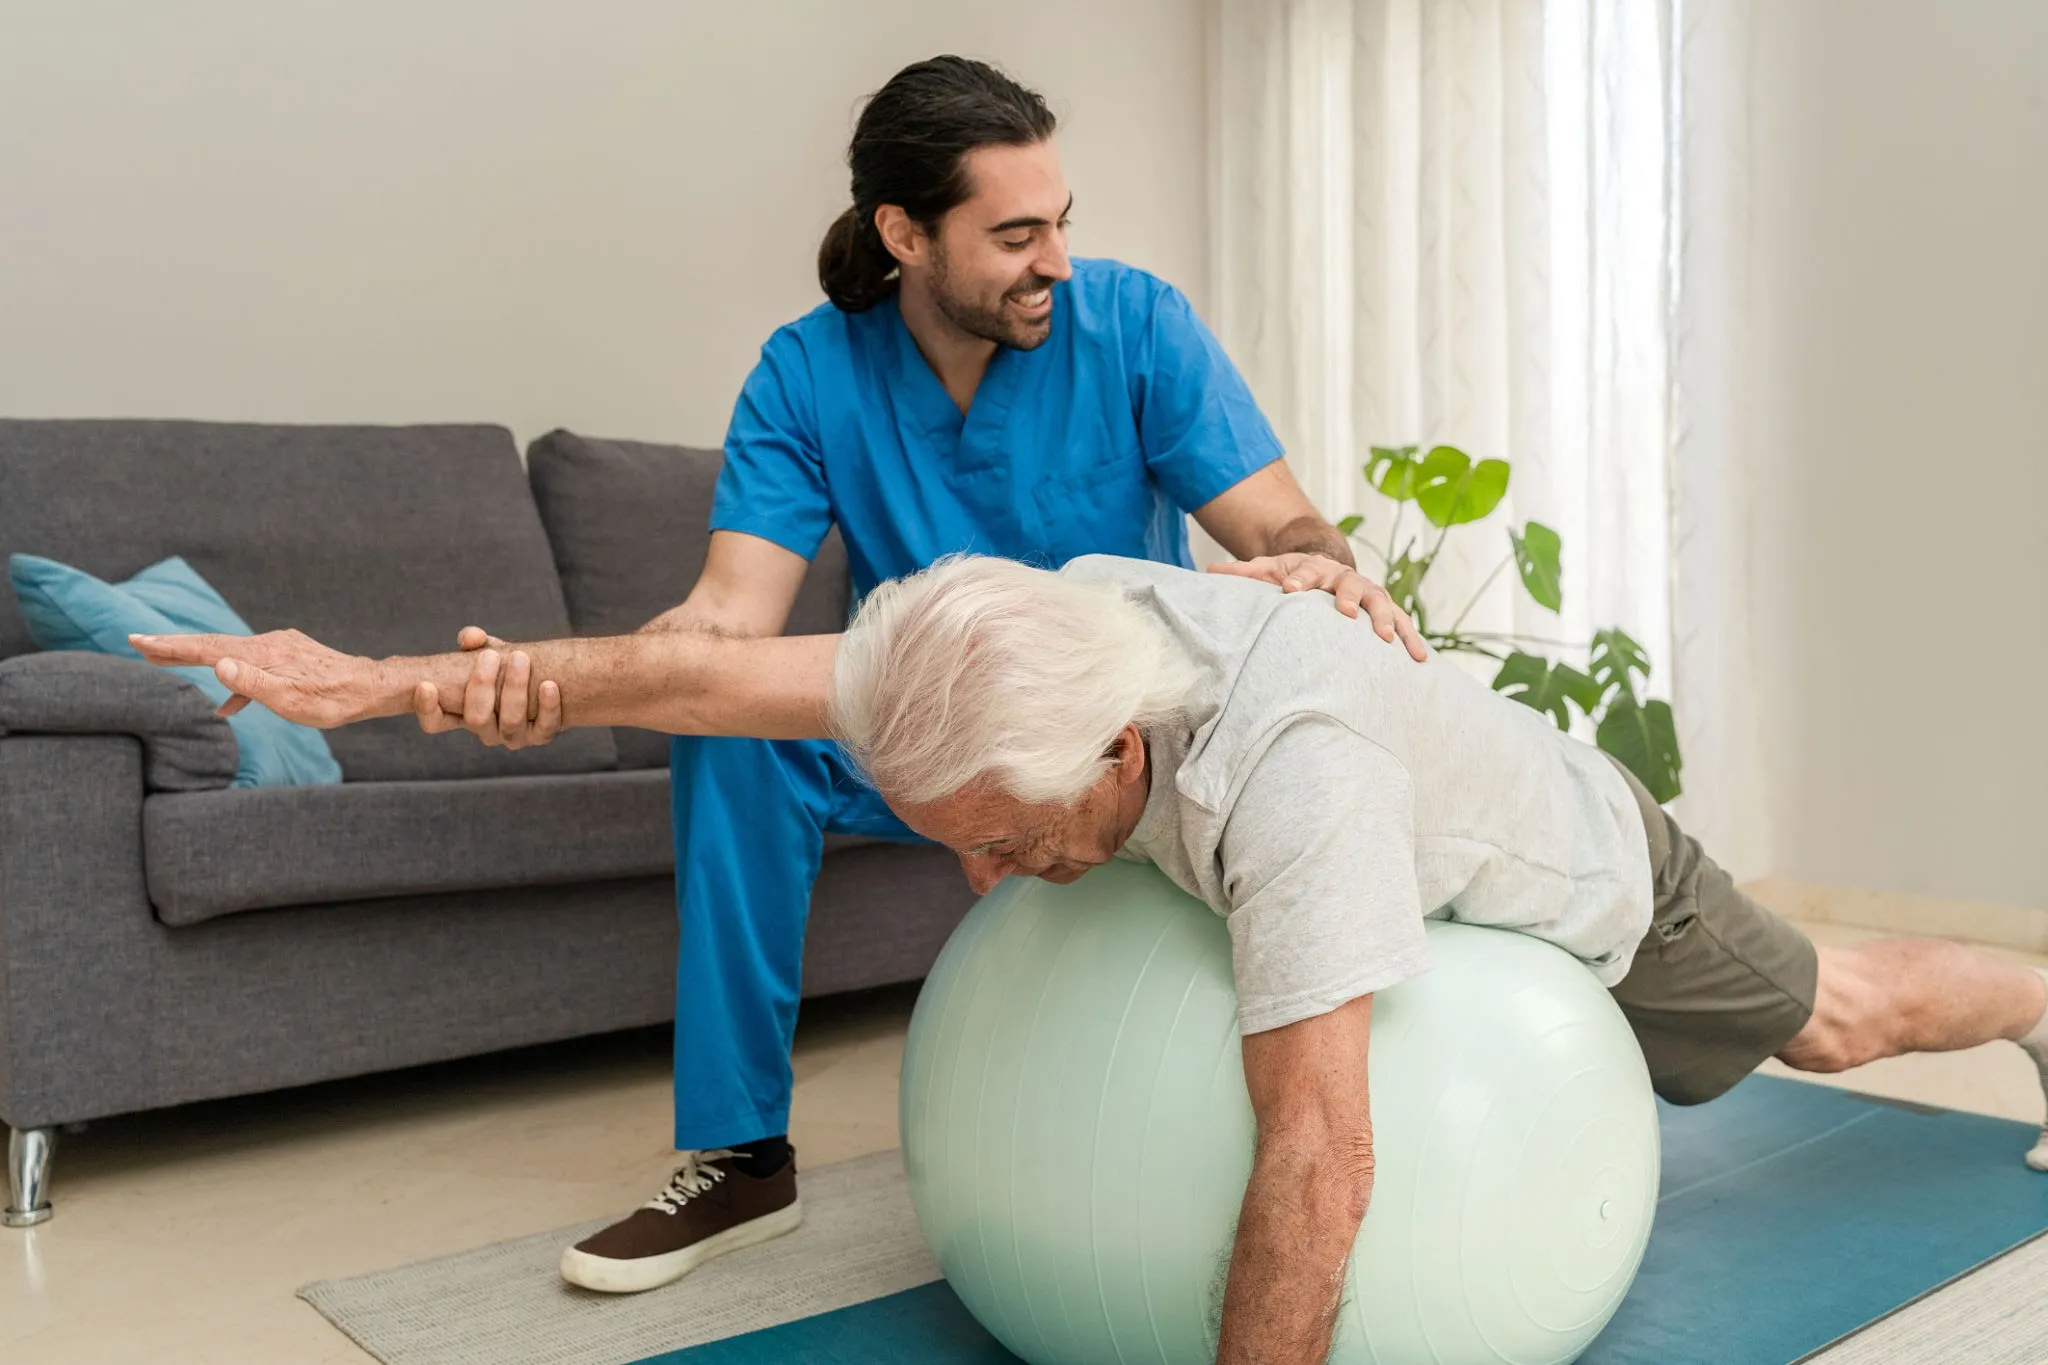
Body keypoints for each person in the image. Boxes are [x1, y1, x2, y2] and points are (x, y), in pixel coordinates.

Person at [135, 550, 2048, 1365]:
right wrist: (379, 680)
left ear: (1120, 761)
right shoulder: (1019, 641)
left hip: (1581, 869)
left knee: (1841, 1016)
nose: (975, 875)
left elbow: (1317, 1172)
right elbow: (712, 670)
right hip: (1361, 806)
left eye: (992, 838)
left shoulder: (1288, 799)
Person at [335, 54, 1424, 1295]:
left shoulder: (1133, 327)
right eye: (1013, 235)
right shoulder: (808, 373)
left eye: (1059, 224)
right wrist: (565, 679)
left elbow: (1280, 530)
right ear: (903, 233)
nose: (1053, 261)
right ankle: (738, 1158)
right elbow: (724, 622)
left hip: (1111, 753)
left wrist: (1322, 566)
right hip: (926, 746)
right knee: (736, 737)